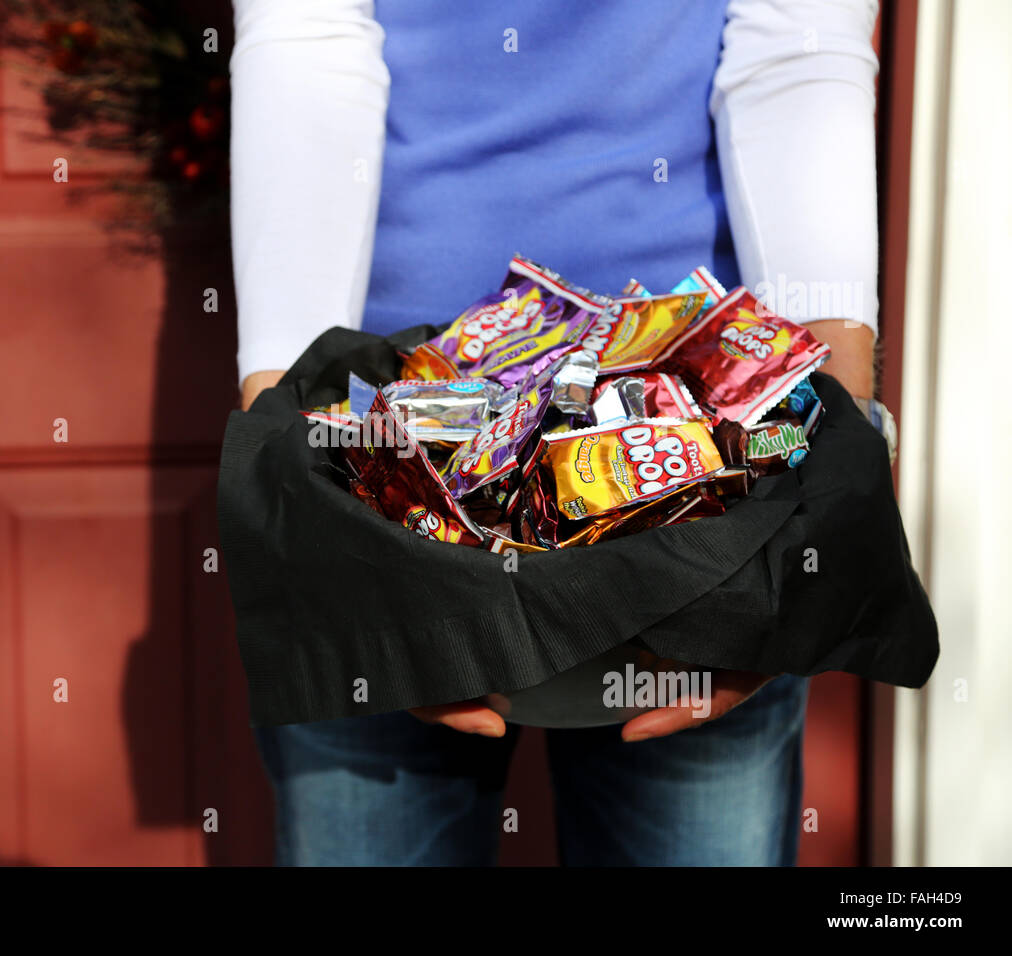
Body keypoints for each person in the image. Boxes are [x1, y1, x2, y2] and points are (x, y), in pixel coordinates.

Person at [229, 0, 881, 866]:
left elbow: (799, 49)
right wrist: (296, 469)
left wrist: (826, 463)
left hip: (708, 467)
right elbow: (305, 40)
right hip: (381, 454)